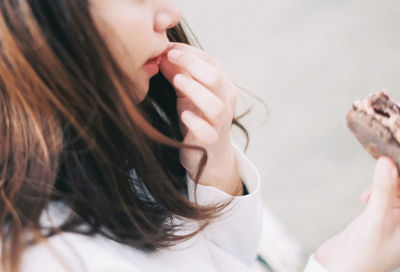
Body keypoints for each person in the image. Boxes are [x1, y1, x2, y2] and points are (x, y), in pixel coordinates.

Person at [1, 0, 400, 272]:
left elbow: (221, 260)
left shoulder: (97, 136)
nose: (170, 12)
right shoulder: (41, 257)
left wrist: (213, 171)